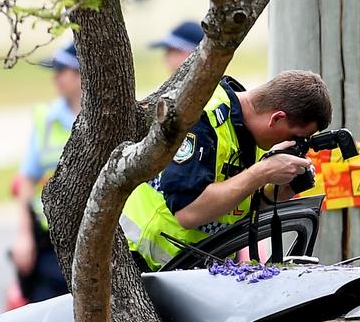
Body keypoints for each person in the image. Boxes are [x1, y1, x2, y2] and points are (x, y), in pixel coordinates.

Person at [122, 70, 332, 270]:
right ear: (276, 118)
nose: (295, 145)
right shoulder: (203, 117)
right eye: (295, 137)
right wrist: (263, 172)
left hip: (191, 270)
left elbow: (231, 207)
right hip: (141, 261)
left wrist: (273, 194)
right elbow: (187, 212)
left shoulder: (252, 131)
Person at [12, 42, 80, 303]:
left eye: (61, 70)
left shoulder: (108, 119)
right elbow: (26, 180)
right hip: (49, 243)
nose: (55, 78)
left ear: (80, 73)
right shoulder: (46, 119)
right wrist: (24, 235)